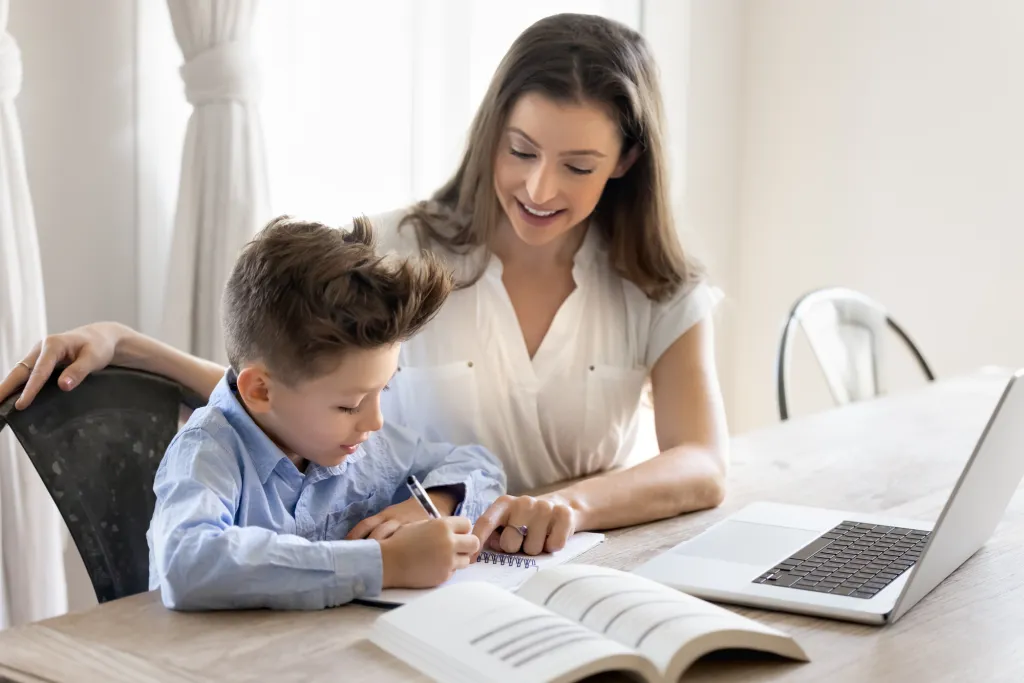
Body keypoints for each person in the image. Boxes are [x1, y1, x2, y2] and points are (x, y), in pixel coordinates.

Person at [1, 13, 728, 560]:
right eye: (522, 150)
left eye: (578, 165)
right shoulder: (399, 249)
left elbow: (700, 462)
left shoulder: (657, 285)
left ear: (627, 159)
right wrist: (127, 345)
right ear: (492, 133)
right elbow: (289, 393)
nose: (539, 187)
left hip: (579, 564)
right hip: (413, 568)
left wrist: (563, 504)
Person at [146, 216, 505, 610]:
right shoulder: (207, 453)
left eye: (382, 390)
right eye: (349, 404)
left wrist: (430, 503)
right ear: (261, 391)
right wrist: (386, 563)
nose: (375, 422)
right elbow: (187, 563)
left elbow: (478, 464)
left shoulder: (366, 445)